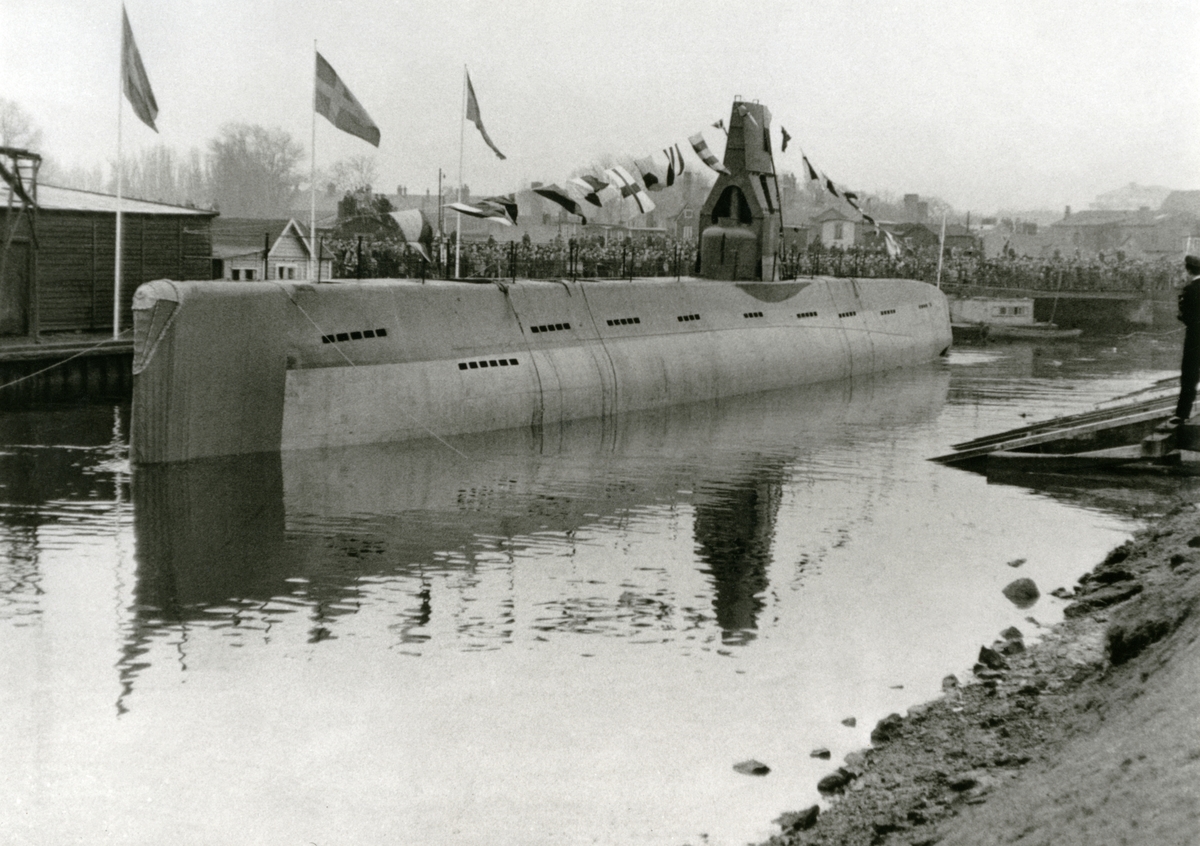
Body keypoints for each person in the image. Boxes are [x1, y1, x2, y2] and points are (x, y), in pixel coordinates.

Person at [1170, 254, 1200, 424]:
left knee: (1190, 375)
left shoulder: (1189, 290)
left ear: (1188, 270)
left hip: (1195, 337)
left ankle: (1183, 414)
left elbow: (1185, 316)